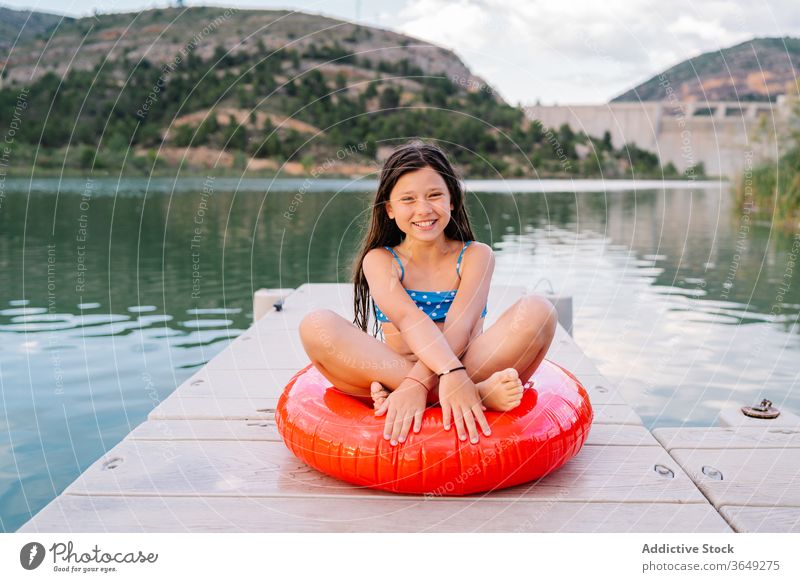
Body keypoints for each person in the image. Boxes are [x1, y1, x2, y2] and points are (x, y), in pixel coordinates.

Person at [299, 141, 557, 447]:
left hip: (467, 361)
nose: (423, 209)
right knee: (316, 326)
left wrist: (433, 377)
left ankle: (422, 392)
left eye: (434, 195)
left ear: (452, 201)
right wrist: (435, 377)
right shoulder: (381, 260)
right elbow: (409, 319)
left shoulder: (476, 256)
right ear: (390, 209)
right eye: (408, 199)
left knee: (538, 310)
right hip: (403, 370)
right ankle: (477, 393)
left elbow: (460, 325)